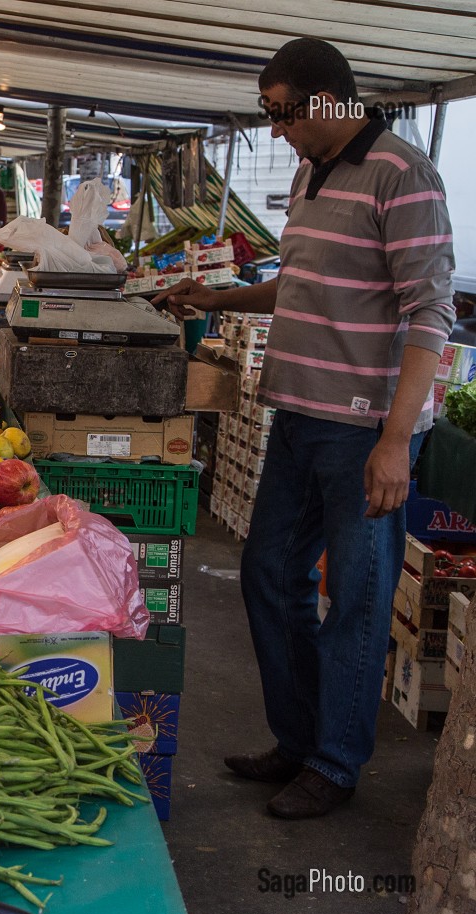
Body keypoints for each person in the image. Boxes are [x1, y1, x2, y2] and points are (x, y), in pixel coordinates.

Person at [154, 37, 456, 820]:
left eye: (285, 113)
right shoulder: (309, 173)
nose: (279, 130)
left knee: (355, 595)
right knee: (268, 572)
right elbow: (304, 283)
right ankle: (299, 737)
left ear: (327, 99)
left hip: (363, 430)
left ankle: (336, 758)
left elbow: (429, 310)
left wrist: (396, 438)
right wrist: (218, 299)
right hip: (299, 415)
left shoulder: (403, 173)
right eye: (271, 116)